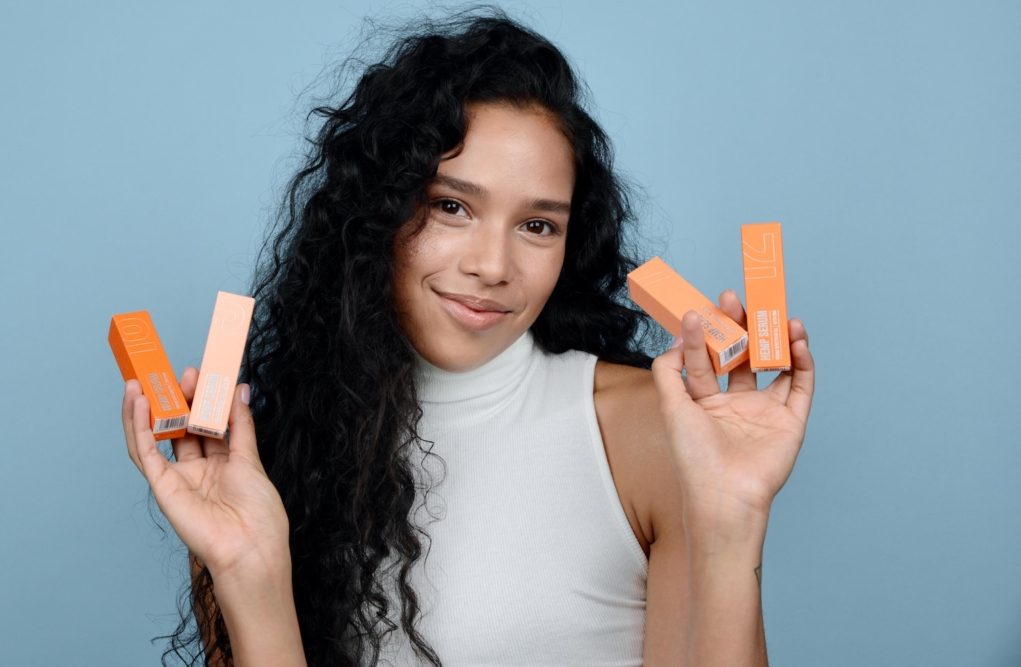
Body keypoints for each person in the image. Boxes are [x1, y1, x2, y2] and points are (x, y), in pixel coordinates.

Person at [120, 11, 814, 667]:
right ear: (375, 214)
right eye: (451, 206)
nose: (492, 266)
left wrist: (730, 524)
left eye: (537, 225)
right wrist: (247, 570)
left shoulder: (650, 432)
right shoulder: (263, 465)